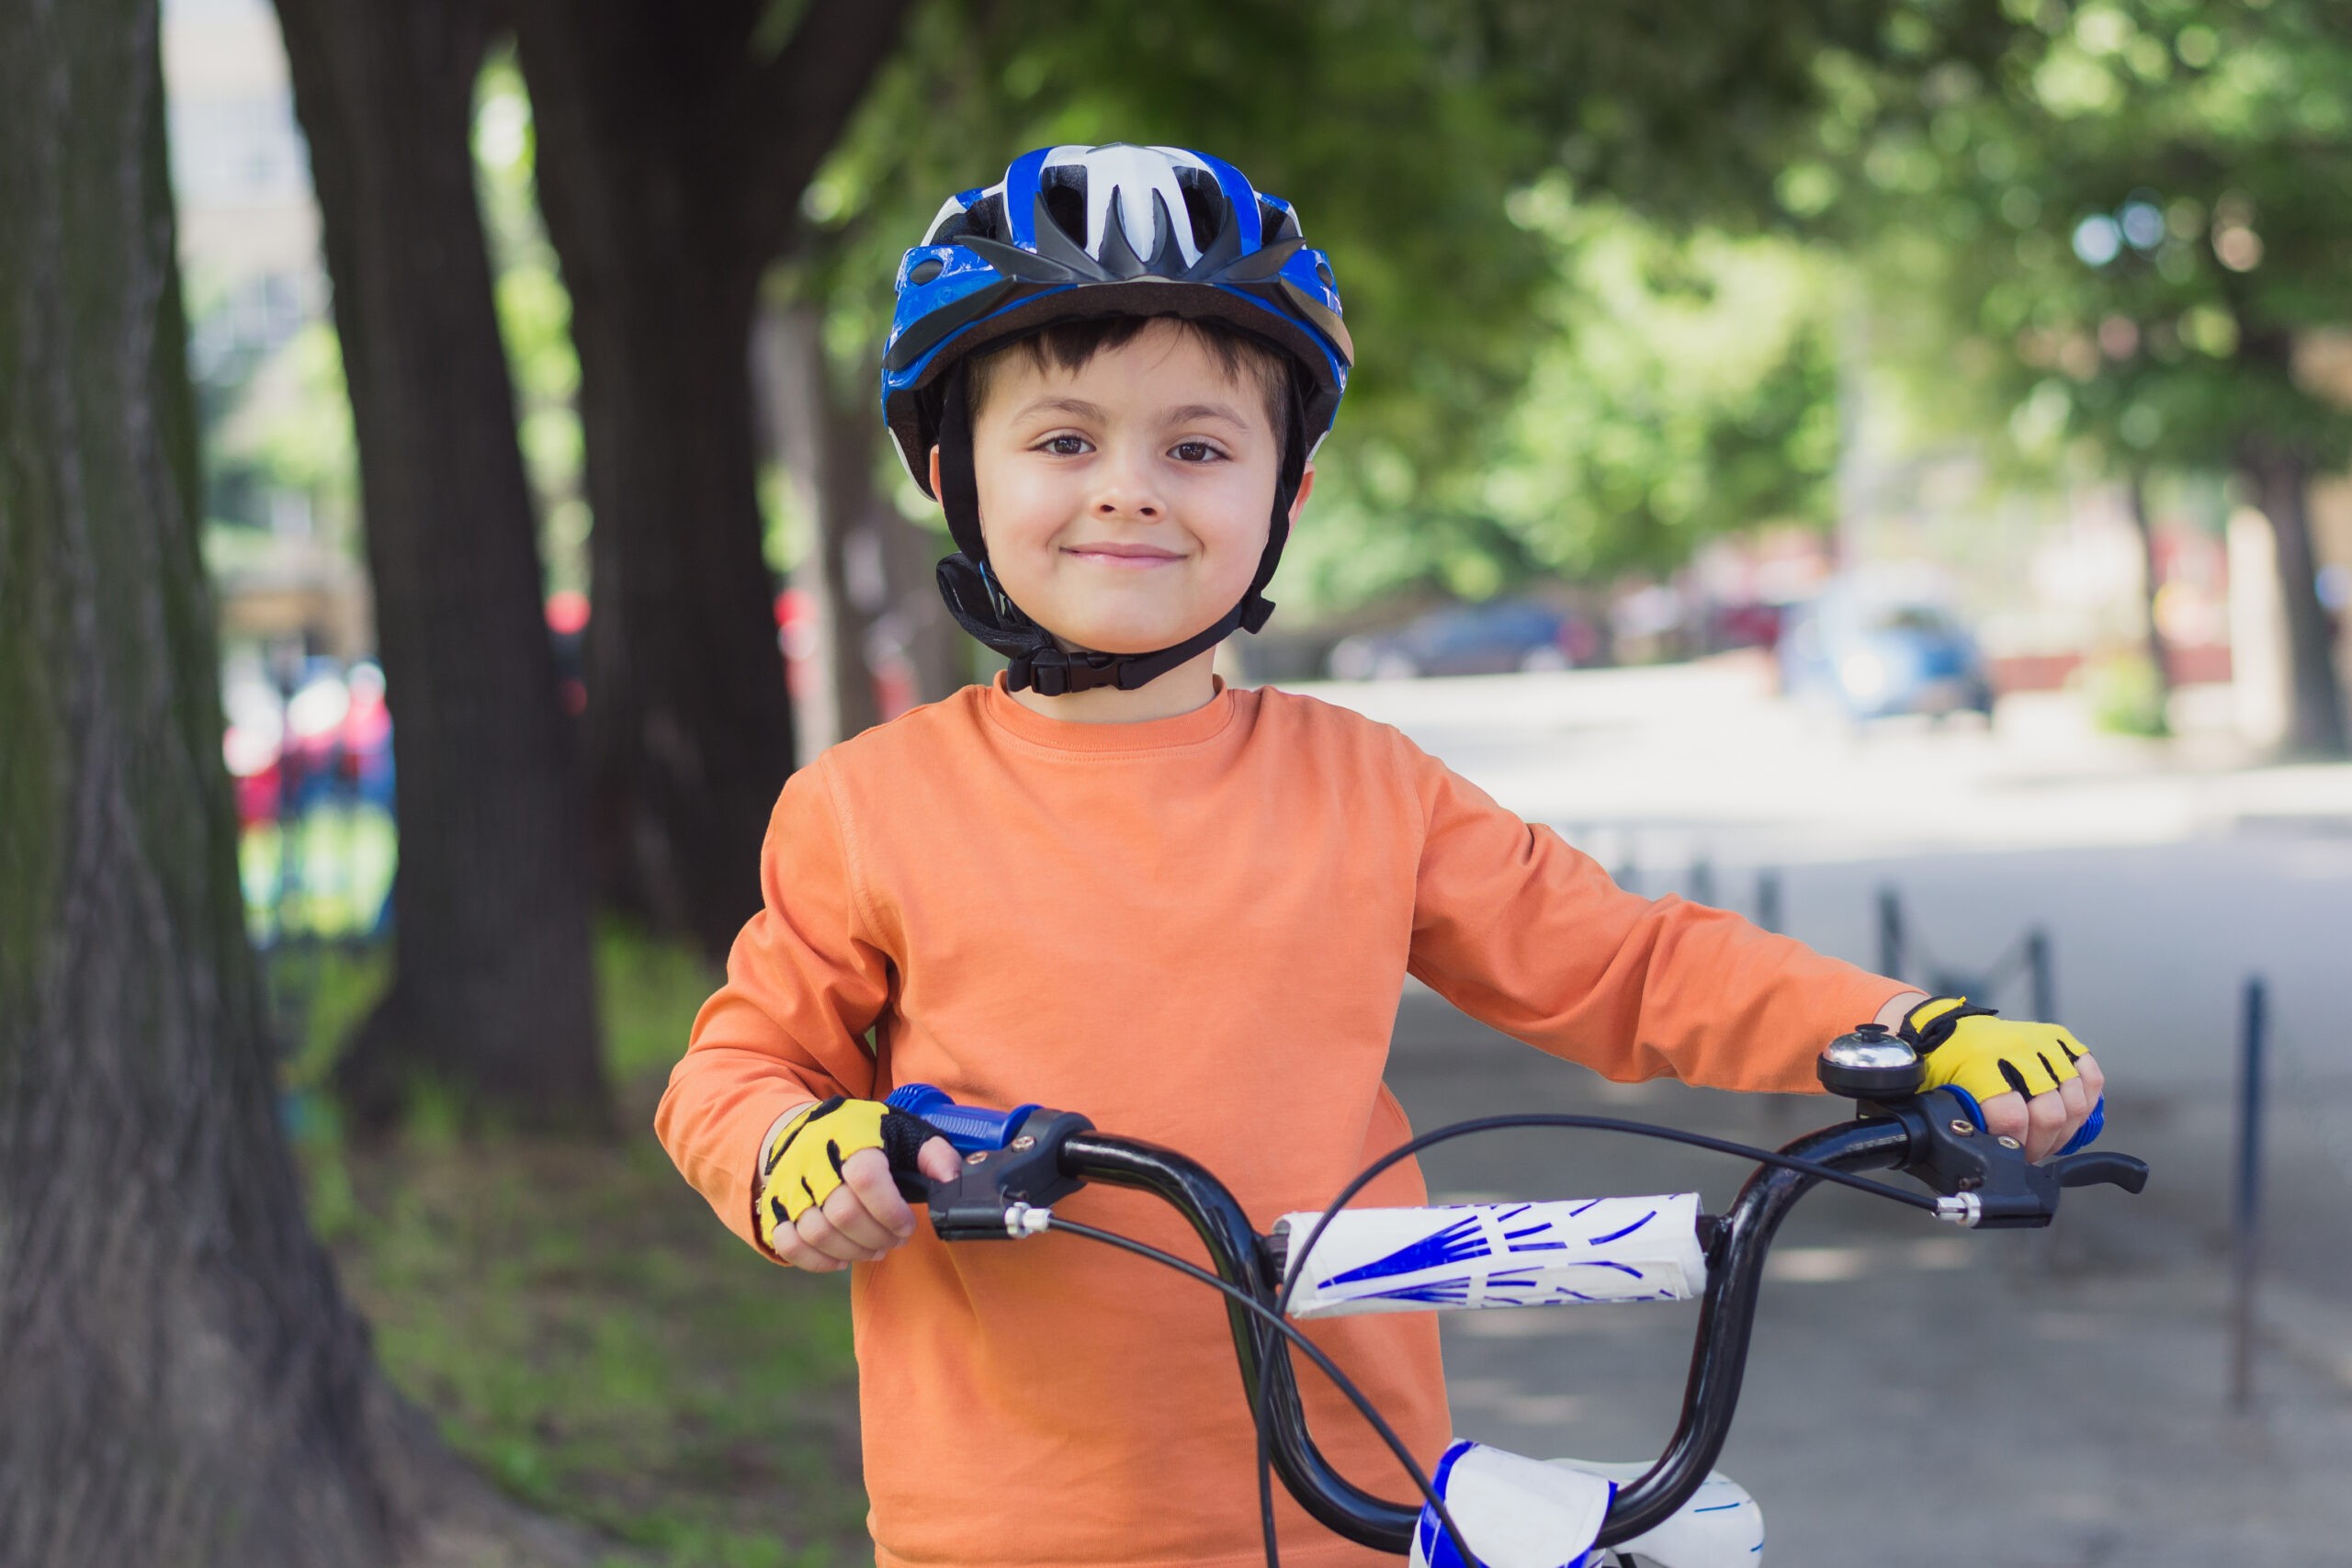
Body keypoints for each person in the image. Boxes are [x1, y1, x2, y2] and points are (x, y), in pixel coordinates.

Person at [656, 144, 2106, 1568]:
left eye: (1200, 447)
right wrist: (798, 1151)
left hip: (1355, 1507)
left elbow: (1626, 963)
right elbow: (732, 1073)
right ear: (947, 472)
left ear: (1283, 494)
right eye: (1062, 440)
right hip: (1006, 1532)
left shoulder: (1369, 788)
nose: (1131, 489)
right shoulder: (870, 805)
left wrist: (1909, 1032)